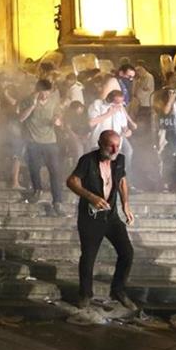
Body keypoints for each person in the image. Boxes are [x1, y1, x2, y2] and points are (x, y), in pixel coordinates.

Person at [66, 130, 137, 310]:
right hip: (91, 218)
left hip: (111, 216)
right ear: (100, 144)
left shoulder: (119, 160)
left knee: (127, 252)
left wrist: (125, 204)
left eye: (117, 146)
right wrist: (91, 197)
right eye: (110, 146)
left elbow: (121, 180)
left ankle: (118, 290)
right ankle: (85, 294)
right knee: (89, 257)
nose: (114, 150)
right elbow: (72, 181)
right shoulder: (87, 160)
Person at [19, 79, 66, 216]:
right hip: (33, 140)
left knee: (55, 171)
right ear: (36, 91)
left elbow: (59, 117)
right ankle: (37, 190)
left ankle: (57, 202)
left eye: (47, 92)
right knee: (34, 168)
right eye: (42, 92)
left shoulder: (53, 101)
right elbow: (21, 118)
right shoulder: (27, 100)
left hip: (50, 141)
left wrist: (57, 121)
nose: (45, 95)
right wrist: (32, 106)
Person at [87, 90, 137, 185]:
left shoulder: (120, 108)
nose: (120, 105)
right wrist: (108, 114)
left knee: (118, 165)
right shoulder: (97, 104)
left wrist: (127, 131)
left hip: (116, 144)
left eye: (121, 102)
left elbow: (124, 126)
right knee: (100, 169)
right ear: (109, 99)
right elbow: (91, 123)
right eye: (117, 102)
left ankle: (122, 184)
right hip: (100, 143)